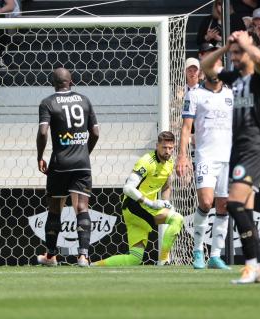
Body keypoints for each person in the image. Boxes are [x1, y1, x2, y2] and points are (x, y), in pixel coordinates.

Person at [201, 30, 260, 284]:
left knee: (233, 204)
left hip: (253, 148)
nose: (236, 56)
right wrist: (225, 48)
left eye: (239, 52)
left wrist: (244, 43)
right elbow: (206, 68)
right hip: (238, 149)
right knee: (247, 212)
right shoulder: (236, 78)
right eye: (234, 53)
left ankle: (251, 266)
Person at [36, 67, 99, 267]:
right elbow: (95, 133)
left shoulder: (48, 103)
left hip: (60, 163)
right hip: (82, 163)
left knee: (55, 209)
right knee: (82, 208)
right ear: (71, 81)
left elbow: (44, 132)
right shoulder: (85, 100)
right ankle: (83, 256)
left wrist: (40, 155)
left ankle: (51, 256)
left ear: (53, 83)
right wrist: (84, 152)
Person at [92, 131, 183, 266]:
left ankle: (93, 266)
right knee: (177, 219)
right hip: (134, 207)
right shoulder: (146, 161)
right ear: (157, 145)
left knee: (134, 259)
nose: (167, 151)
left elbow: (166, 186)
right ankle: (164, 260)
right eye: (164, 147)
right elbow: (128, 189)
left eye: (170, 148)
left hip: (144, 209)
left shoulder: (169, 163)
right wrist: (150, 203)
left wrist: (165, 202)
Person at [177, 56, 233, 270]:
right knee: (206, 202)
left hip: (228, 157)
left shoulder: (231, 95)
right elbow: (185, 128)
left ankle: (216, 255)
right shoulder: (195, 94)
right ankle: (198, 250)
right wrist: (183, 156)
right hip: (206, 156)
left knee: (223, 205)